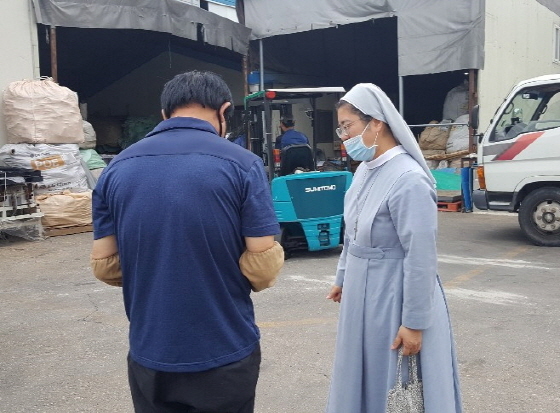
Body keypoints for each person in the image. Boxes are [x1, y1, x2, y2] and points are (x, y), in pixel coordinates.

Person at [90, 70, 284, 413]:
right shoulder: (243, 165)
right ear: (224, 112)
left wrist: (155, 268)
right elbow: (263, 268)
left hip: (150, 351)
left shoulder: (116, 168)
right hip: (224, 348)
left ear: (165, 114)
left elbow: (105, 266)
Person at [325, 83, 462, 413]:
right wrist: (343, 277)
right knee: (362, 372)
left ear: (376, 123)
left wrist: (414, 322)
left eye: (348, 126)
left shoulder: (408, 178)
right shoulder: (364, 172)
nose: (343, 136)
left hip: (392, 296)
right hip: (361, 294)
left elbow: (421, 256)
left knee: (394, 381)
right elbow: (353, 233)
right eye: (340, 127)